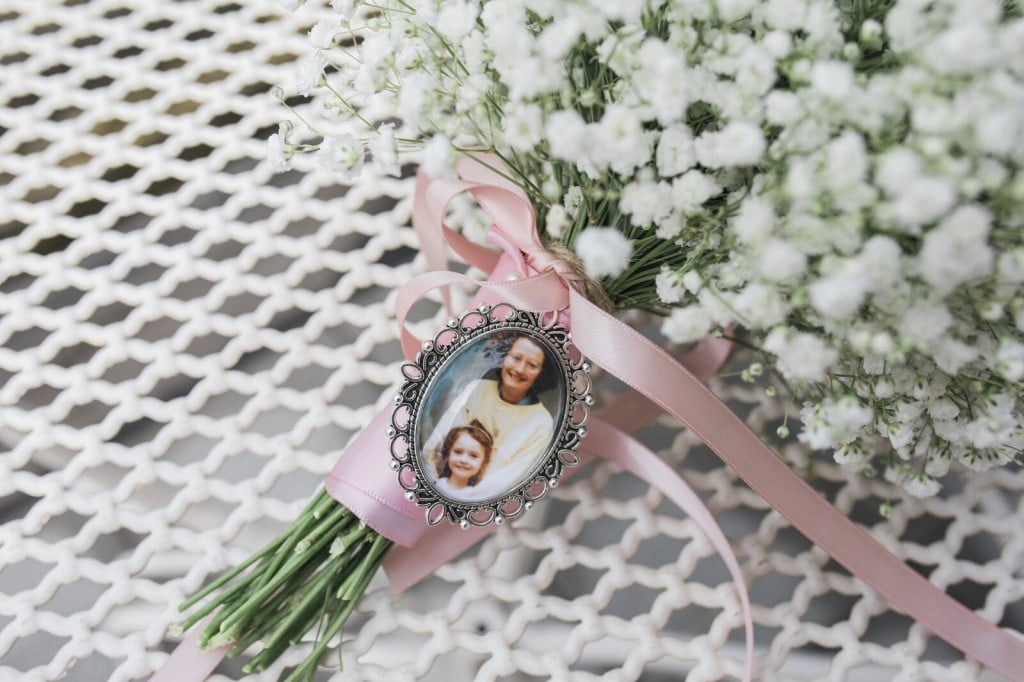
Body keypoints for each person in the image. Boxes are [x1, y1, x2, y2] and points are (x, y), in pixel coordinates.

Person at [422, 334, 556, 497]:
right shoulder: (478, 387)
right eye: (516, 358)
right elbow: (437, 441)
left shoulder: (541, 423)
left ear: (541, 373)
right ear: (504, 356)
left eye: (532, 365)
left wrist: (459, 495)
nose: (520, 369)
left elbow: (504, 480)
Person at [432, 421, 494, 500]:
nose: (464, 460)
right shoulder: (436, 485)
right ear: (448, 453)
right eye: (458, 452)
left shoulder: (475, 497)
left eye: (473, 456)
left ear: (483, 462)